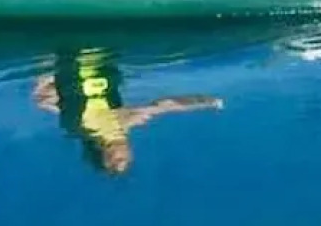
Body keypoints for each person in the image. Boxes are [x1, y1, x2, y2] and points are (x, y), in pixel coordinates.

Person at [32, 46, 223, 175]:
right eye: (125, 160)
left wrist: (206, 102)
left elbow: (166, 105)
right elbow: (165, 106)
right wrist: (203, 102)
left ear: (102, 154)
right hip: (91, 58)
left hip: (79, 58)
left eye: (115, 161)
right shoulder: (83, 127)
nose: (121, 156)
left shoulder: (114, 122)